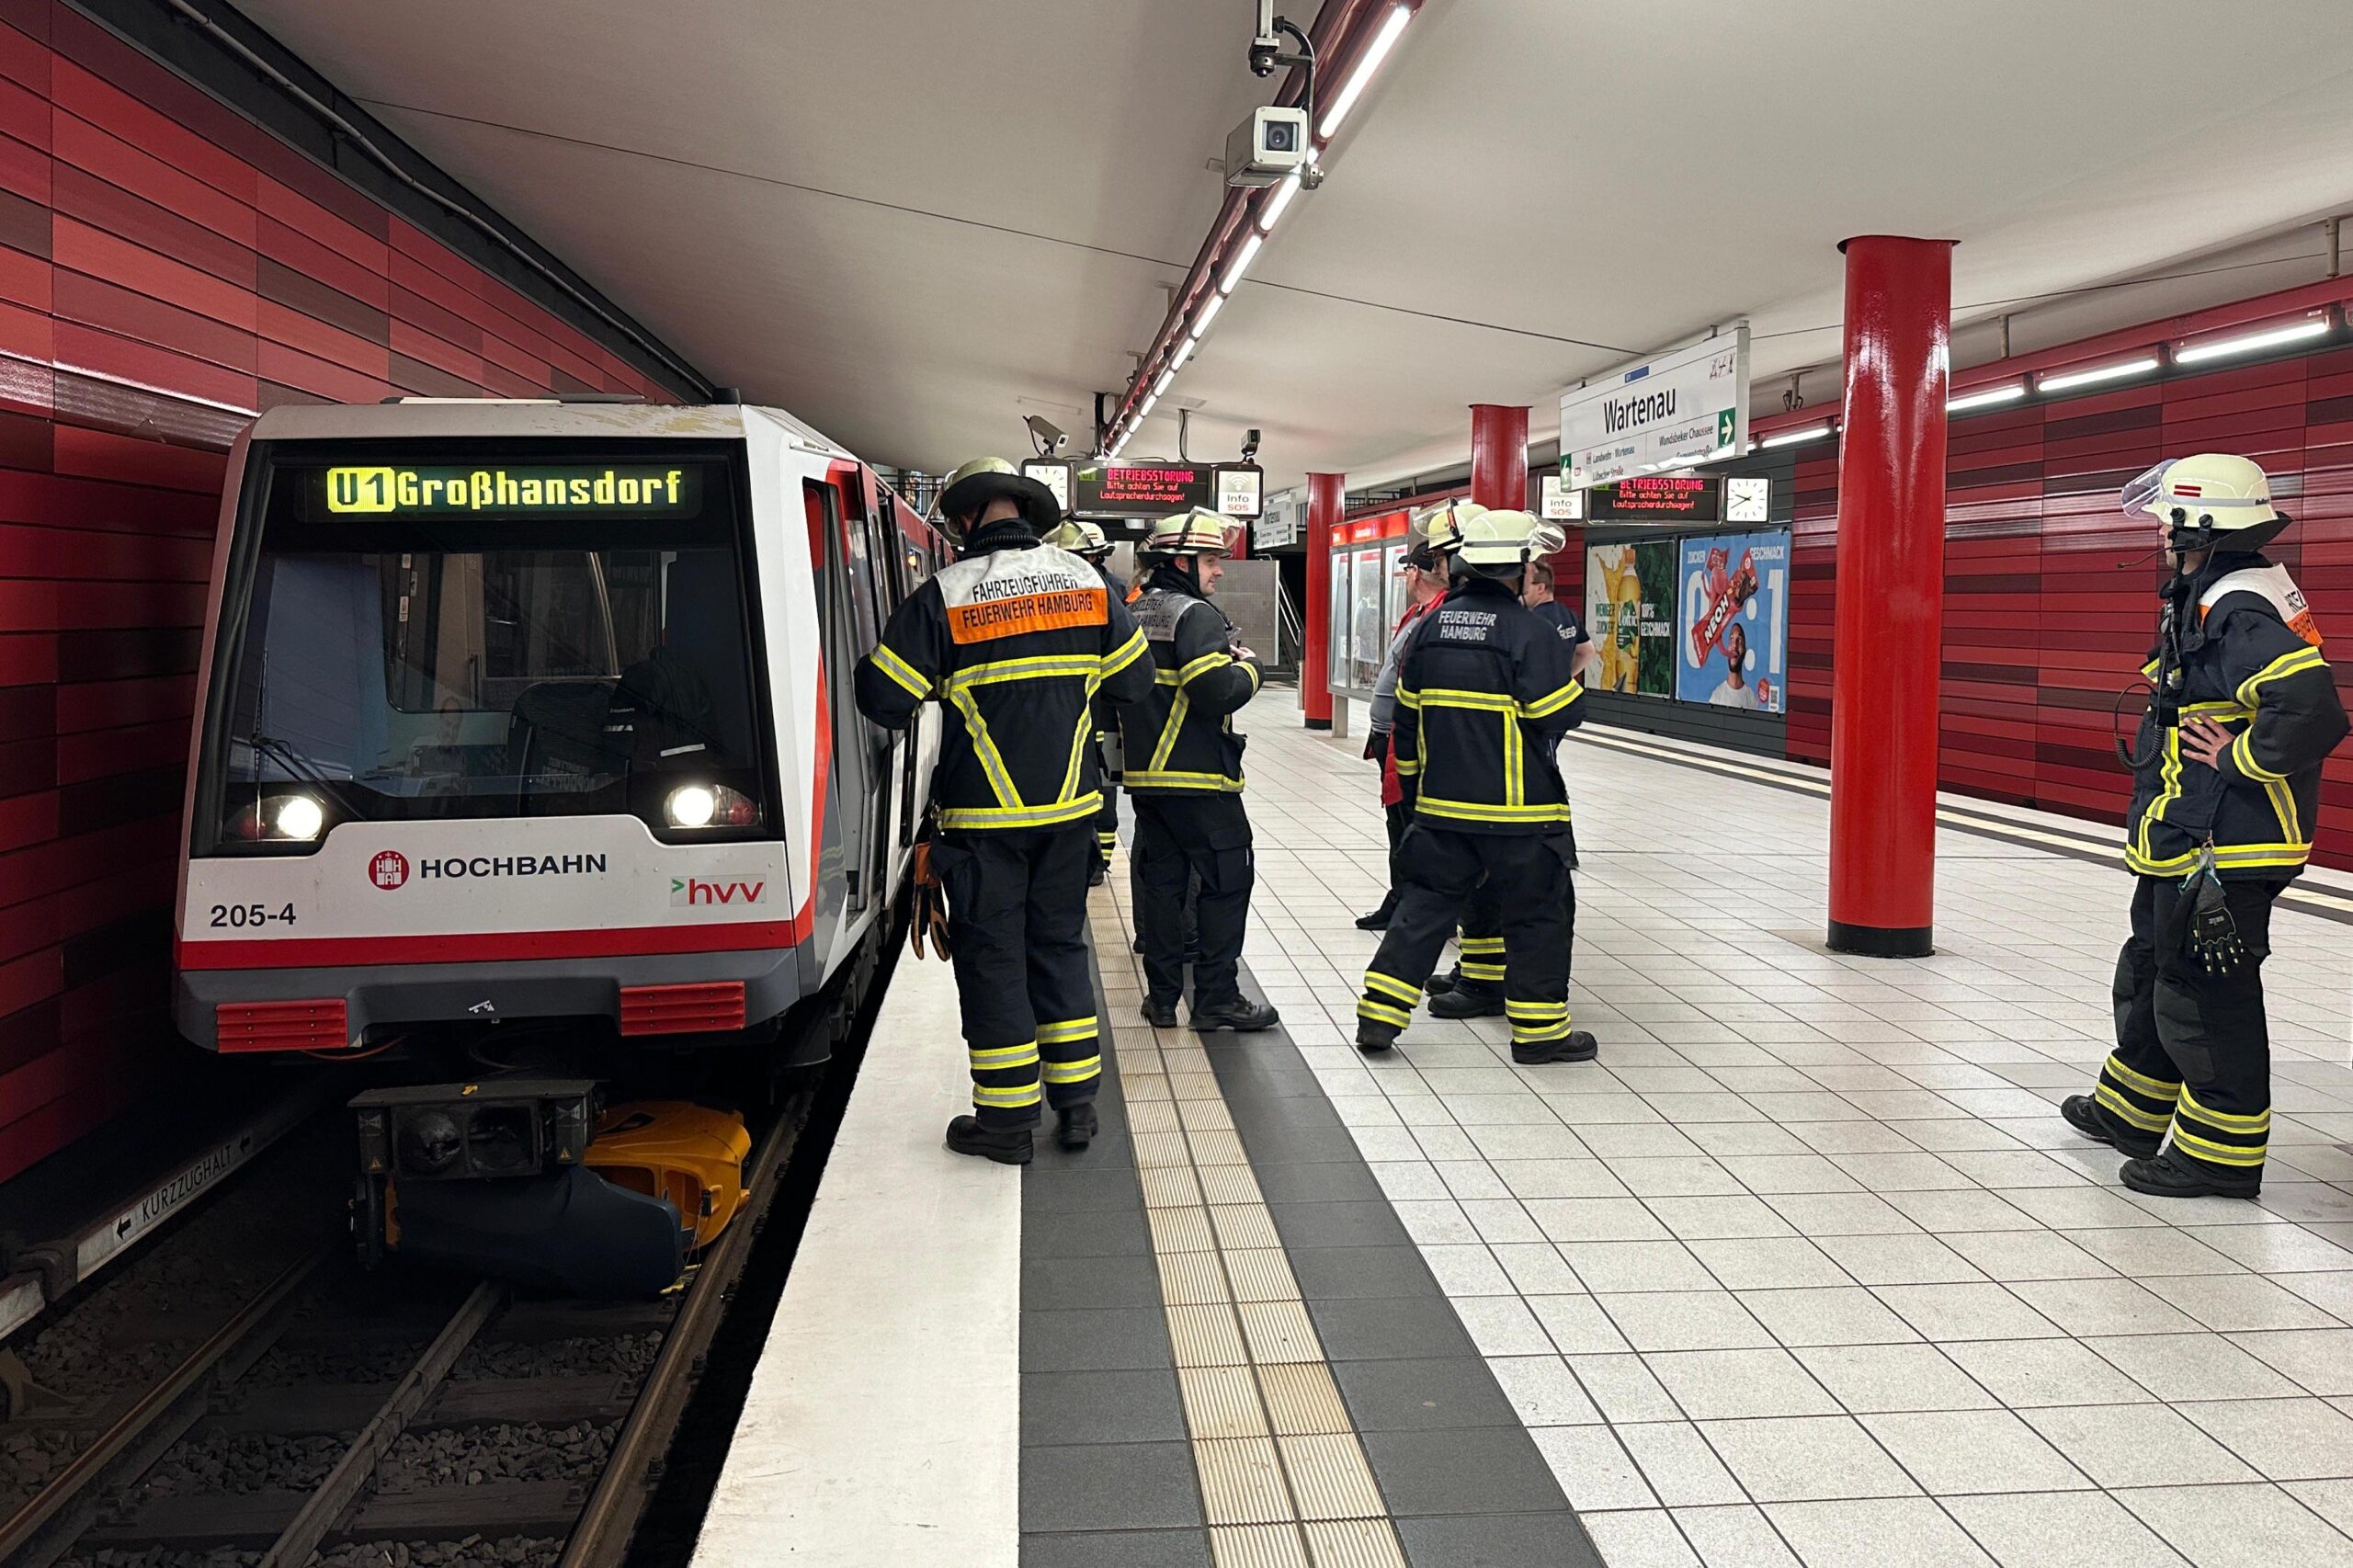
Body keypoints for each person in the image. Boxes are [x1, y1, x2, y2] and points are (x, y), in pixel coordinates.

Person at [2060, 453, 2345, 1199]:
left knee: (2205, 995)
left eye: (2166, 527)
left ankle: (2220, 1155)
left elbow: (2313, 708)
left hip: (2229, 842)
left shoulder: (2239, 609)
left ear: (2201, 530)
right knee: (2154, 969)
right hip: (2188, 835)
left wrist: (2241, 755)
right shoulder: (2215, 591)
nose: (2159, 540)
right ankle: (2131, 1111)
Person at [855, 457, 1154, 1165]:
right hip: (1070, 812)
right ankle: (1076, 1107)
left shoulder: (945, 594)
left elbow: (882, 698)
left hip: (984, 824)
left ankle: (1006, 1123)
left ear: (962, 522)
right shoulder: (1088, 582)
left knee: (993, 960)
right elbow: (1136, 684)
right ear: (1026, 514)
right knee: (1057, 947)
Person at [1356, 508, 1593, 1064]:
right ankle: (1539, 1034)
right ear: (1516, 567)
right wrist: (1571, 680)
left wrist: (1415, 798)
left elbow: (1406, 723)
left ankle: (1379, 1017)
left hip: (1441, 810)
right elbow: (1555, 714)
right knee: (1540, 914)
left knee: (1423, 909)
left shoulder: (1429, 629)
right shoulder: (1528, 631)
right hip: (1520, 815)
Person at [1123, 507, 1279, 1033]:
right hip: (1198, 778)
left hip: (1148, 778)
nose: (1218, 572)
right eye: (1211, 560)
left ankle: (1163, 998)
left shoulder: (1137, 610)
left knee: (1165, 887)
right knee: (1226, 881)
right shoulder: (1197, 615)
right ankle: (1216, 998)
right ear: (1182, 562)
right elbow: (1213, 693)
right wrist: (1249, 668)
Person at [1357, 538, 1452, 930]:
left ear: (1415, 573)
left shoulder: (1439, 614)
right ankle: (1401, 901)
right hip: (1390, 737)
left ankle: (1418, 909)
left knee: (1412, 828)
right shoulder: (1417, 612)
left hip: (1409, 741)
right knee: (1398, 826)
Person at [1051, 517, 1127, 885]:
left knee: (1096, 791)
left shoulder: (1047, 592)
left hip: (1079, 716)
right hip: (1103, 714)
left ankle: (1096, 861)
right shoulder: (1114, 592)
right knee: (1100, 789)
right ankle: (1095, 863)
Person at [1522, 557, 1597, 685]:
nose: (1522, 593)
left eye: (1525, 588)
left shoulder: (1531, 620)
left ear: (1540, 588)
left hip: (1536, 694)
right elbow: (1587, 651)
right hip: (1560, 696)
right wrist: (1565, 678)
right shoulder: (1569, 615)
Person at [1707, 623, 1762, 709]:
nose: (1735, 646)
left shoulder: (1751, 699)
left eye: (1739, 640)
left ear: (1744, 651)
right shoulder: (1717, 696)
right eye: (1731, 639)